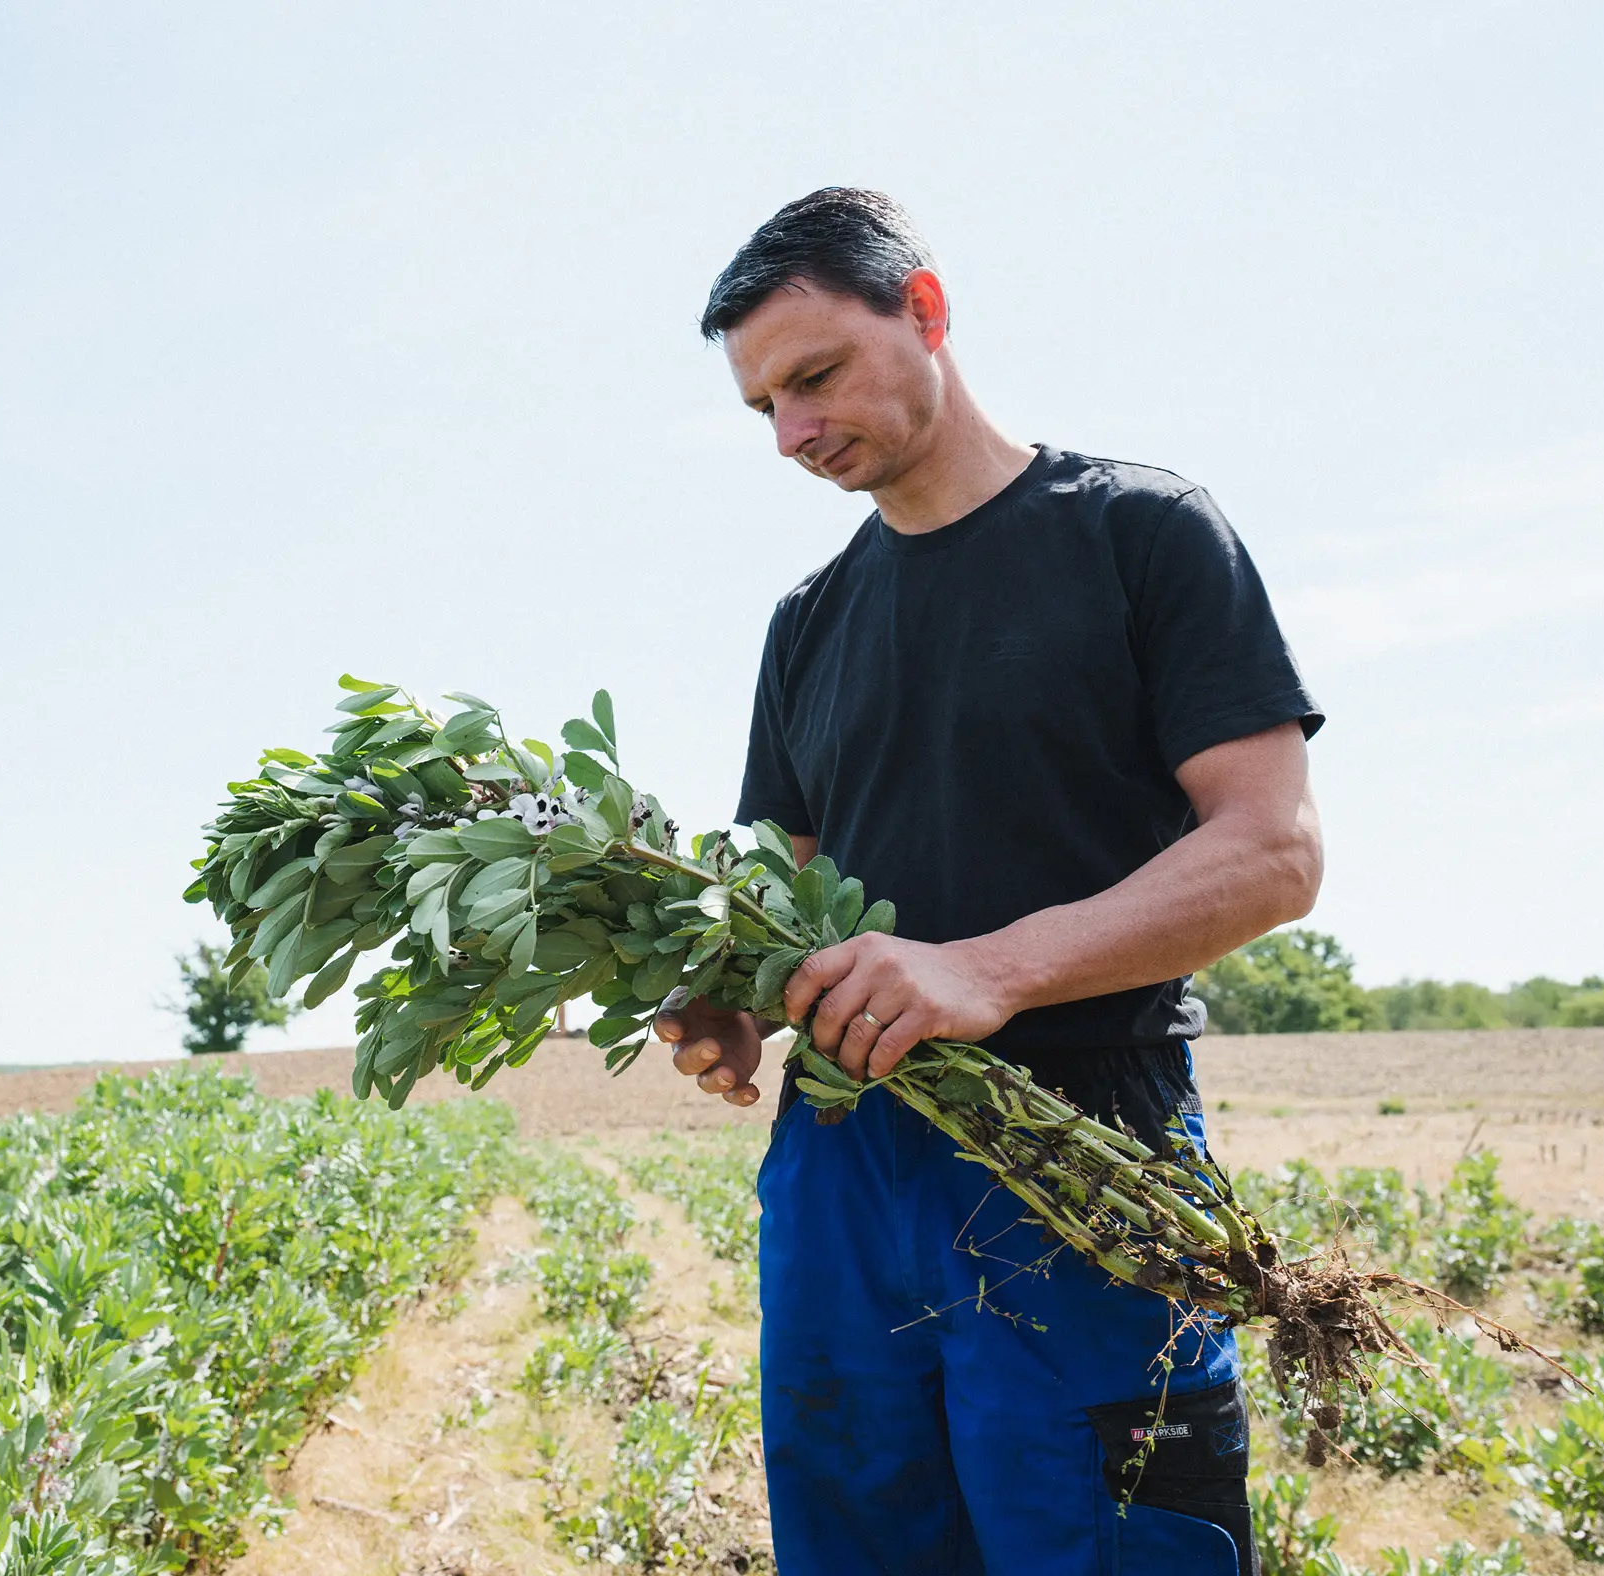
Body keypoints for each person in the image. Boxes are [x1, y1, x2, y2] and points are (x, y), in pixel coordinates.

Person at [658, 188, 1324, 1576]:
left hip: (1080, 1140)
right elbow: (788, 897)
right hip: (845, 1169)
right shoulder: (809, 624)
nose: (791, 432)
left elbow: (1272, 851)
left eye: (815, 376)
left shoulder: (1140, 534)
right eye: (763, 407)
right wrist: (739, 1001)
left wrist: (988, 969)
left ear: (929, 311)